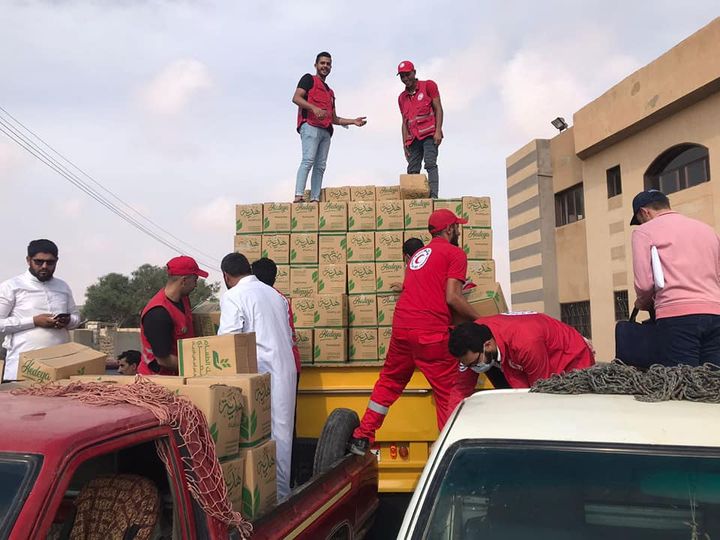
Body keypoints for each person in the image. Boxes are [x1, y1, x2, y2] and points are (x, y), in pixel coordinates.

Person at [349, 210, 480, 455]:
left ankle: (363, 436)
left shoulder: (419, 254)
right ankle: (451, 451)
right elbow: (453, 297)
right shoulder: (455, 253)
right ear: (450, 229)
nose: (459, 231)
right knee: (449, 391)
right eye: (457, 227)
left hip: (402, 328)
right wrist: (482, 321)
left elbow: (418, 287)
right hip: (430, 332)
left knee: (389, 382)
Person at [218, 253, 296, 501]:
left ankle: (265, 500)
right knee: (281, 437)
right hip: (284, 369)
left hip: (259, 372)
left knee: (252, 439)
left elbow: (228, 340)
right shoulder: (275, 295)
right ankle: (281, 496)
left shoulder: (233, 296)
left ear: (226, 276)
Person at [630, 189, 720, 366]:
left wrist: (642, 302)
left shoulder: (644, 232)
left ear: (644, 212)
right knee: (713, 383)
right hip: (715, 312)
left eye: (639, 220)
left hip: (677, 316)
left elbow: (644, 284)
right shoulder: (707, 230)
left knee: (681, 384)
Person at [449, 314, 596, 395]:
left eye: (475, 363)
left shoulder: (525, 343)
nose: (474, 368)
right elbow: (460, 390)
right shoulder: (472, 339)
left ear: (488, 344)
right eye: (469, 365)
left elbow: (540, 391)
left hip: (570, 358)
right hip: (516, 355)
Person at [0, 239, 81, 381]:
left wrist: (67, 321)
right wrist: (34, 321)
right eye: (39, 262)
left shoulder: (63, 287)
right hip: (22, 371)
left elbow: (76, 319)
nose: (44, 266)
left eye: (50, 263)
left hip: (59, 369)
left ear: (57, 261)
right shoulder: (11, 286)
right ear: (28, 260)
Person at [292, 51, 367, 203]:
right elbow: (296, 98)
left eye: (328, 64)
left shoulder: (330, 92)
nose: (325, 66)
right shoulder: (308, 79)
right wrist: (314, 108)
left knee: (320, 166)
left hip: (325, 131)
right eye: (322, 63)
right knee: (308, 160)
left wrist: (354, 121)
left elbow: (334, 119)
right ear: (316, 65)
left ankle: (315, 198)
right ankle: (299, 196)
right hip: (310, 126)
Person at [138, 256, 208, 376]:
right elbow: (163, 360)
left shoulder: (183, 299)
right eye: (195, 279)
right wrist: (201, 369)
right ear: (184, 280)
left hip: (179, 374)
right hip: (157, 381)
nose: (196, 285)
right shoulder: (158, 314)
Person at [397, 60, 444, 199]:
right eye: (402, 76)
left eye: (407, 74)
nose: (405, 78)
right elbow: (404, 122)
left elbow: (438, 108)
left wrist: (438, 131)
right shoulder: (402, 98)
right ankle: (415, 201)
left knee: (430, 164)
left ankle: (433, 197)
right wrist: (404, 144)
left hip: (429, 134)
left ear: (414, 72)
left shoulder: (428, 86)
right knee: (412, 170)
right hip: (413, 139)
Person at [251, 257, 301, 375]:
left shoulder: (258, 298)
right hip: (290, 363)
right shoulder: (280, 297)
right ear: (274, 278)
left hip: (271, 367)